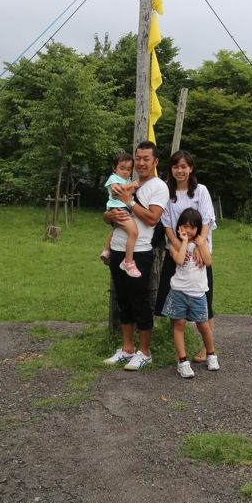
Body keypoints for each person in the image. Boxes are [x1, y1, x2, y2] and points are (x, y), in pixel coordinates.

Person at [103, 141, 168, 371]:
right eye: (138, 158)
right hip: (119, 248)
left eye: (146, 159)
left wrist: (128, 201)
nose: (140, 163)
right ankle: (127, 348)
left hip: (139, 251)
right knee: (123, 300)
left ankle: (145, 352)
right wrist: (109, 215)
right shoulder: (123, 182)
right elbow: (108, 214)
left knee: (139, 301)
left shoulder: (158, 187)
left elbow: (152, 218)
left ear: (155, 162)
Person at [154, 149, 216, 363]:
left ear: (191, 168)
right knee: (174, 300)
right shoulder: (166, 194)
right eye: (175, 166)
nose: (180, 170)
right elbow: (167, 225)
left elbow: (206, 221)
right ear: (170, 169)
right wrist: (179, 246)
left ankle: (205, 348)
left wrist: (198, 246)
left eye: (184, 166)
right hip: (177, 251)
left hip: (200, 253)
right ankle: (179, 350)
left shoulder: (201, 191)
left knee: (205, 300)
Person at [161, 207, 219, 378]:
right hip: (178, 292)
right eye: (184, 226)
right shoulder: (174, 245)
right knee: (178, 325)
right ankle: (182, 361)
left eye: (192, 227)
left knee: (203, 326)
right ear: (179, 227)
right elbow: (179, 261)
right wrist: (185, 242)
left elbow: (208, 262)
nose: (188, 230)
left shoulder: (202, 243)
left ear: (198, 228)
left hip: (198, 293)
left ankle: (211, 354)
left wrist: (201, 244)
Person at [100, 152, 141, 277]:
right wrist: (132, 184)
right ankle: (128, 262)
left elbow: (131, 191)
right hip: (117, 208)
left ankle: (106, 250)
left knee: (116, 229)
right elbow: (115, 192)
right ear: (115, 168)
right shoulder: (113, 178)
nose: (125, 172)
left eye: (128, 169)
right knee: (133, 233)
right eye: (122, 168)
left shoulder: (126, 179)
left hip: (124, 208)